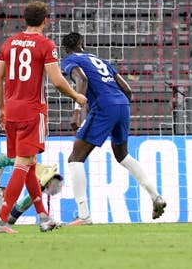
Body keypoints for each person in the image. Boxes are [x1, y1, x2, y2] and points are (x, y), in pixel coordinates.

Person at [0, 0, 87, 234]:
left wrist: (1, 108)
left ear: (25, 19)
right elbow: (56, 81)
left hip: (11, 111)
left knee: (29, 164)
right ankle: (1, 220)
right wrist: (77, 96)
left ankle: (43, 217)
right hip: (32, 111)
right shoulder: (45, 45)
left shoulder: (9, 43)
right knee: (22, 165)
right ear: (46, 20)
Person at [61, 32, 166, 225]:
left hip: (104, 106)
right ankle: (155, 196)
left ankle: (83, 215)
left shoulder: (69, 60)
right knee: (122, 155)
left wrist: (77, 110)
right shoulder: (100, 60)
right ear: (82, 43)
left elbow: (82, 80)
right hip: (122, 104)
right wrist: (117, 109)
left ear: (65, 49)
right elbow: (127, 90)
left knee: (75, 158)